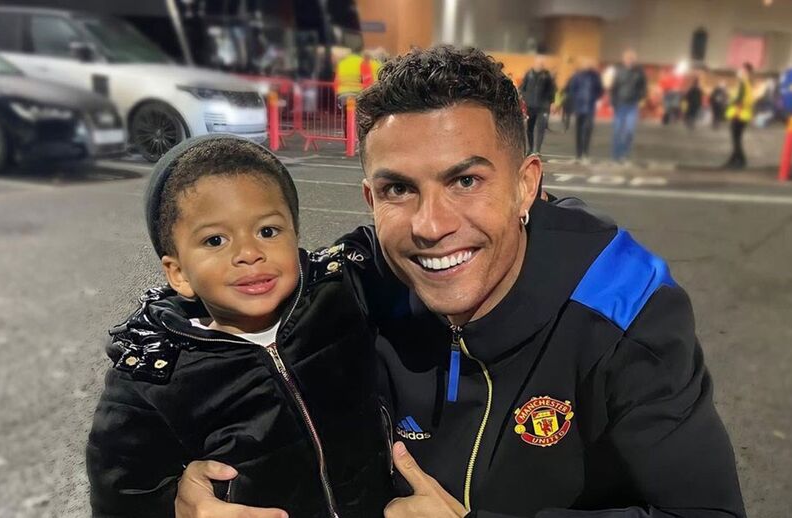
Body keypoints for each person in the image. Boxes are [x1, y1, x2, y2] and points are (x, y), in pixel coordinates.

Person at [174, 45, 746, 518]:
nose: (431, 226)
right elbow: (206, 303)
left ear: (525, 186)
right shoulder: (358, 275)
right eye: (399, 189)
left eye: (466, 181)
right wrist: (172, 492)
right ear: (371, 199)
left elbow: (708, 511)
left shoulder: (624, 307)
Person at [86, 135, 392, 517]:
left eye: (268, 231)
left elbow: (396, 248)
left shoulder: (339, 292)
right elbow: (120, 499)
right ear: (178, 273)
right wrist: (174, 507)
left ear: (296, 236)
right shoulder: (152, 379)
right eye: (215, 240)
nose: (248, 253)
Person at [564, 56, 604, 164]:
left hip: (590, 108)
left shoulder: (595, 77)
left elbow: (600, 90)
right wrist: (574, 101)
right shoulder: (577, 76)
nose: (586, 65)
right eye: (585, 64)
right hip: (579, 107)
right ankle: (578, 155)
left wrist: (594, 98)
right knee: (578, 131)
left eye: (588, 64)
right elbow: (571, 89)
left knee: (587, 131)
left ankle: (585, 154)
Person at [610, 49, 647, 162]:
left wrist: (641, 98)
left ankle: (625, 153)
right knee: (618, 131)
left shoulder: (639, 72)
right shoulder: (618, 71)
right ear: (624, 59)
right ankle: (617, 155)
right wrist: (613, 102)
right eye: (627, 58)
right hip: (619, 104)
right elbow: (613, 88)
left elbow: (643, 87)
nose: (629, 60)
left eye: (631, 58)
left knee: (629, 131)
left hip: (632, 105)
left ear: (634, 60)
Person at [519, 55, 556, 155]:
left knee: (541, 128)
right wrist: (525, 97)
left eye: (542, 63)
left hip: (543, 107)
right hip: (530, 106)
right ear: (535, 63)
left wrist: (552, 103)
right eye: (539, 62)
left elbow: (551, 90)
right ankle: (531, 149)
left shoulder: (547, 76)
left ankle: (537, 150)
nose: (541, 64)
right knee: (529, 128)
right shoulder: (529, 74)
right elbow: (522, 87)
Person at [723, 63, 755, 169]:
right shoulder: (747, 83)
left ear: (746, 72)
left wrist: (735, 111)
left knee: (736, 139)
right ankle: (735, 160)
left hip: (739, 114)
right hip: (742, 115)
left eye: (742, 70)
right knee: (736, 139)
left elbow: (740, 100)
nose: (739, 71)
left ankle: (740, 160)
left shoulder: (743, 83)